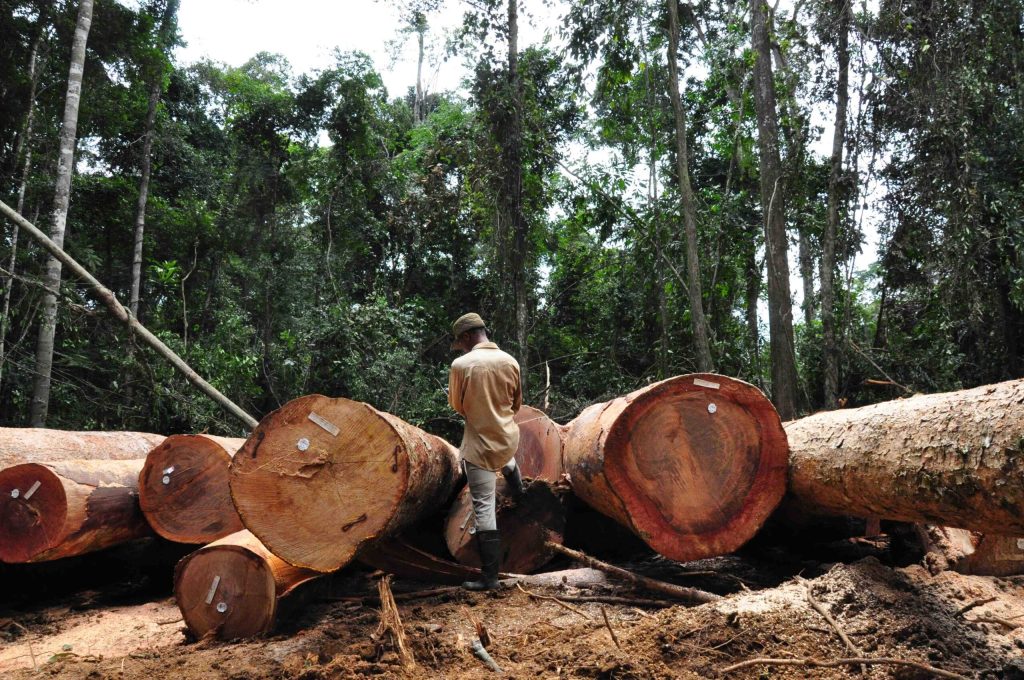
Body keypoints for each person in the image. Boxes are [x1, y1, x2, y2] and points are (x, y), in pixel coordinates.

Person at [448, 312, 524, 591]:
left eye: (461, 342)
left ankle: (490, 578)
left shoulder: (461, 365)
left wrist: (480, 411)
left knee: (483, 507)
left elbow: (457, 405)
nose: (461, 348)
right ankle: (520, 493)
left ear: (468, 336)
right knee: (505, 459)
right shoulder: (510, 361)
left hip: (479, 444)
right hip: (506, 438)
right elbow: (516, 404)